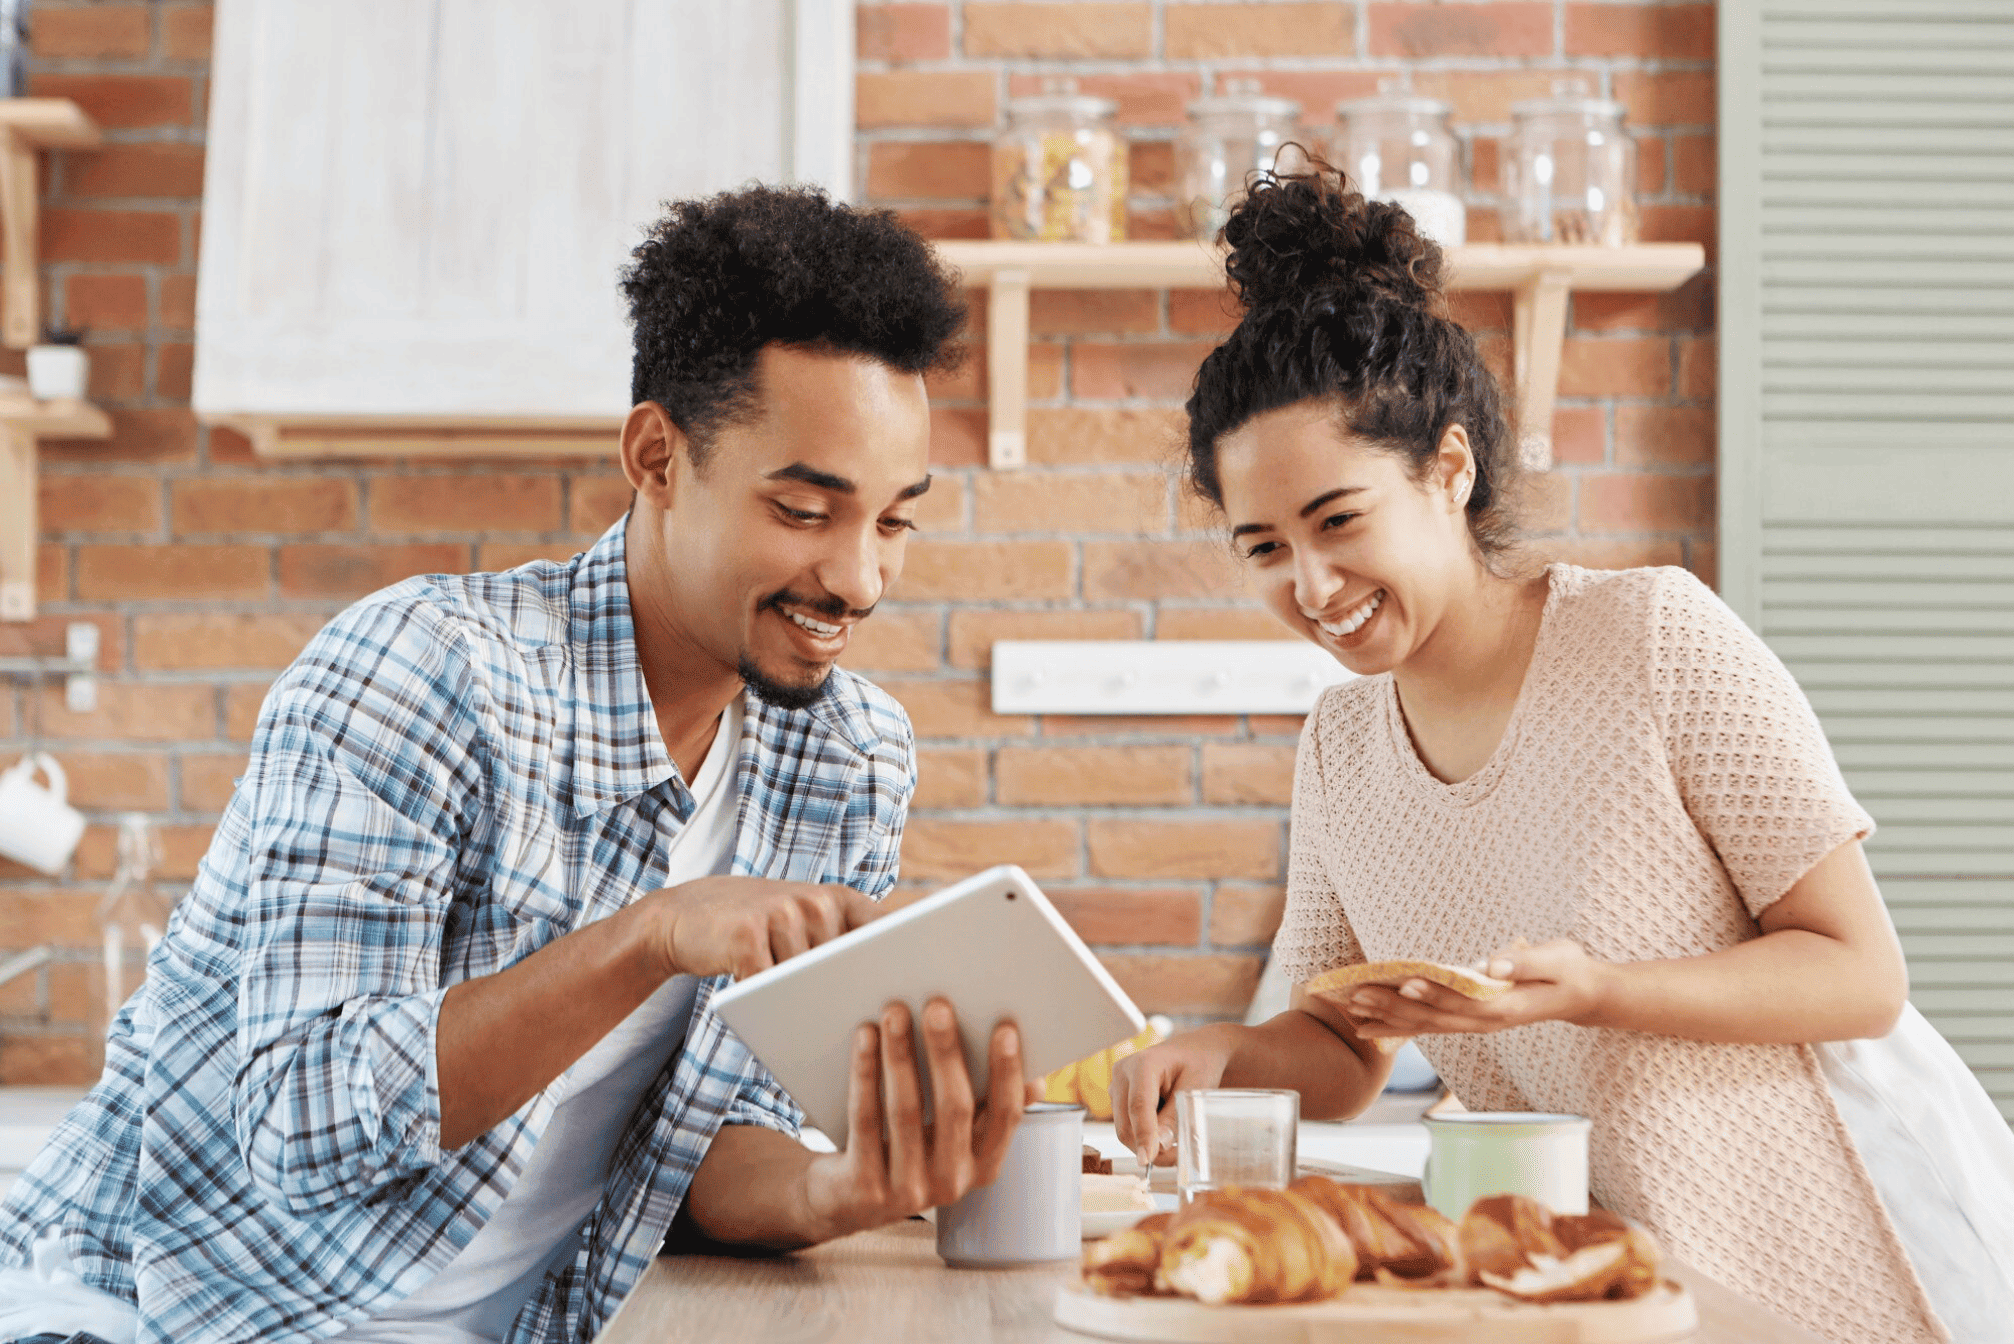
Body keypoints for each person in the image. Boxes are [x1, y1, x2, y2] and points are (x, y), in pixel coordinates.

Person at [0, 185, 1033, 1344]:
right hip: (152, 1311)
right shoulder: (425, 671)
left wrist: (837, 1191)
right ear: (655, 456)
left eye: (895, 521)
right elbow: (301, 1118)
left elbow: (703, 1152)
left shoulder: (850, 758)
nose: (857, 579)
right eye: (803, 510)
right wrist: (653, 933)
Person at [1110, 168, 2014, 1344]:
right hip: (1590, 1284)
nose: (1312, 586)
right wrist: (1223, 1052)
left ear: (1448, 469)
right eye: (1264, 548)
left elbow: (1858, 976)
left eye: (1338, 522)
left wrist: (1603, 995)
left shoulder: (1650, 638)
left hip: (1821, 1252)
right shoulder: (1339, 747)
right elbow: (1342, 1044)